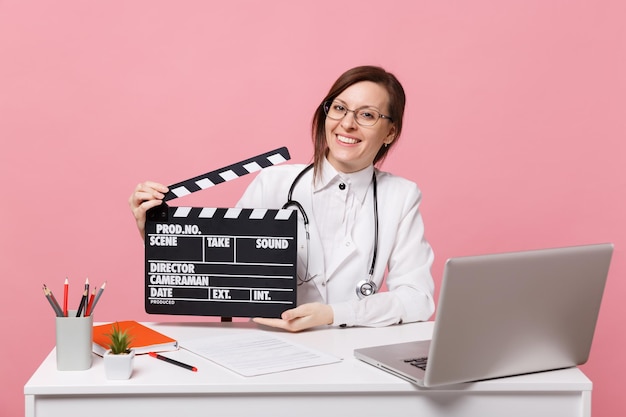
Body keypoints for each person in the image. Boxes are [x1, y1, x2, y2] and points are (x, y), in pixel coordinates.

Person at [129, 65, 435, 332]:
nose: (347, 124)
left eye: (367, 114)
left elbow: (417, 299)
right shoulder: (274, 181)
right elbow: (219, 274)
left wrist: (333, 314)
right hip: (268, 346)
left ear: (390, 132)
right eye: (339, 108)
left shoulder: (401, 196)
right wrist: (157, 233)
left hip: (351, 350)